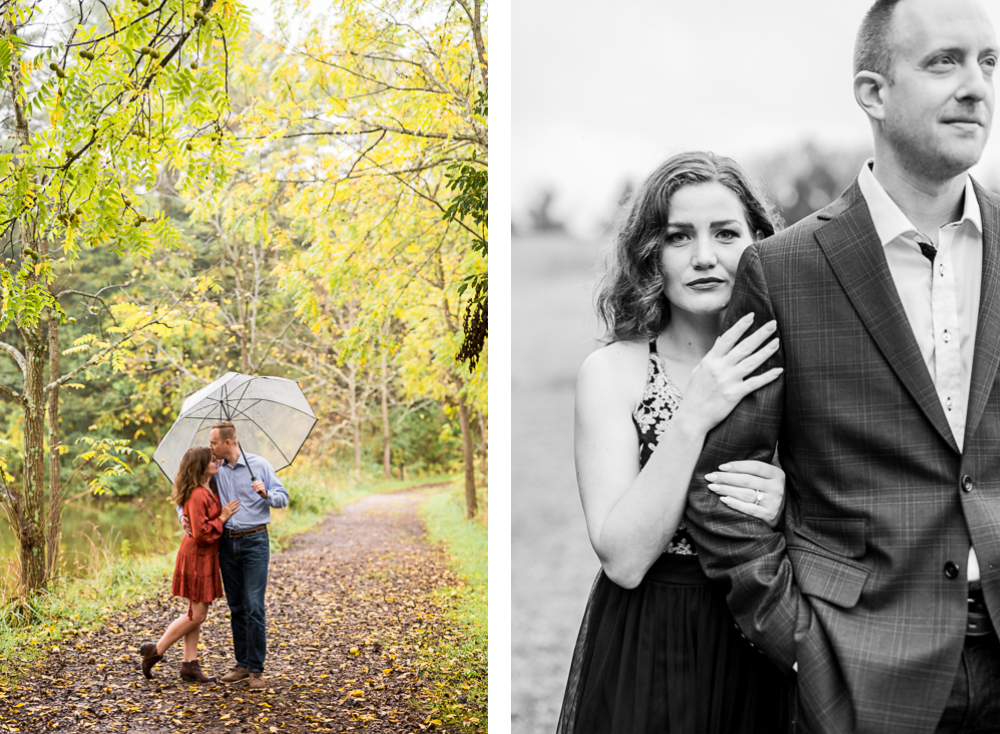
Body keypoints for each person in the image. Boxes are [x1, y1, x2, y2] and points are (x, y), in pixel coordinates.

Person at [685, 1, 1000, 732]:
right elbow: (719, 492)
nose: (977, 86)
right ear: (873, 92)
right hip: (864, 673)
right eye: (943, 62)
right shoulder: (784, 269)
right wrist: (805, 646)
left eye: (989, 62)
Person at [557, 151, 791, 733]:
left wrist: (789, 502)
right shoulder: (613, 373)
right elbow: (624, 558)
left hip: (767, 623)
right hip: (653, 635)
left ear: (759, 242)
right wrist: (693, 415)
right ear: (650, 253)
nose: (705, 257)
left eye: (726, 233)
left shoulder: (795, 361)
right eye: (679, 236)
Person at [181, 421, 289, 691]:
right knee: (237, 607)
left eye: (213, 442)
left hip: (255, 541)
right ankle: (241, 665)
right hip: (226, 543)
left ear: (227, 443)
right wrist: (182, 515)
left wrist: (266, 494)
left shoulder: (259, 465)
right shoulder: (214, 470)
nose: (210, 447)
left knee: (254, 606)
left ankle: (256, 670)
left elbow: (283, 497)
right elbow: (188, 490)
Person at [140, 446, 240, 681]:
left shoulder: (208, 487)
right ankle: (155, 650)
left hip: (204, 556)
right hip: (197, 554)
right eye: (211, 459)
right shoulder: (197, 494)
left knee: (194, 613)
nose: (216, 461)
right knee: (197, 615)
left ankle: (189, 665)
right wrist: (223, 517)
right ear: (200, 465)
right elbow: (202, 533)